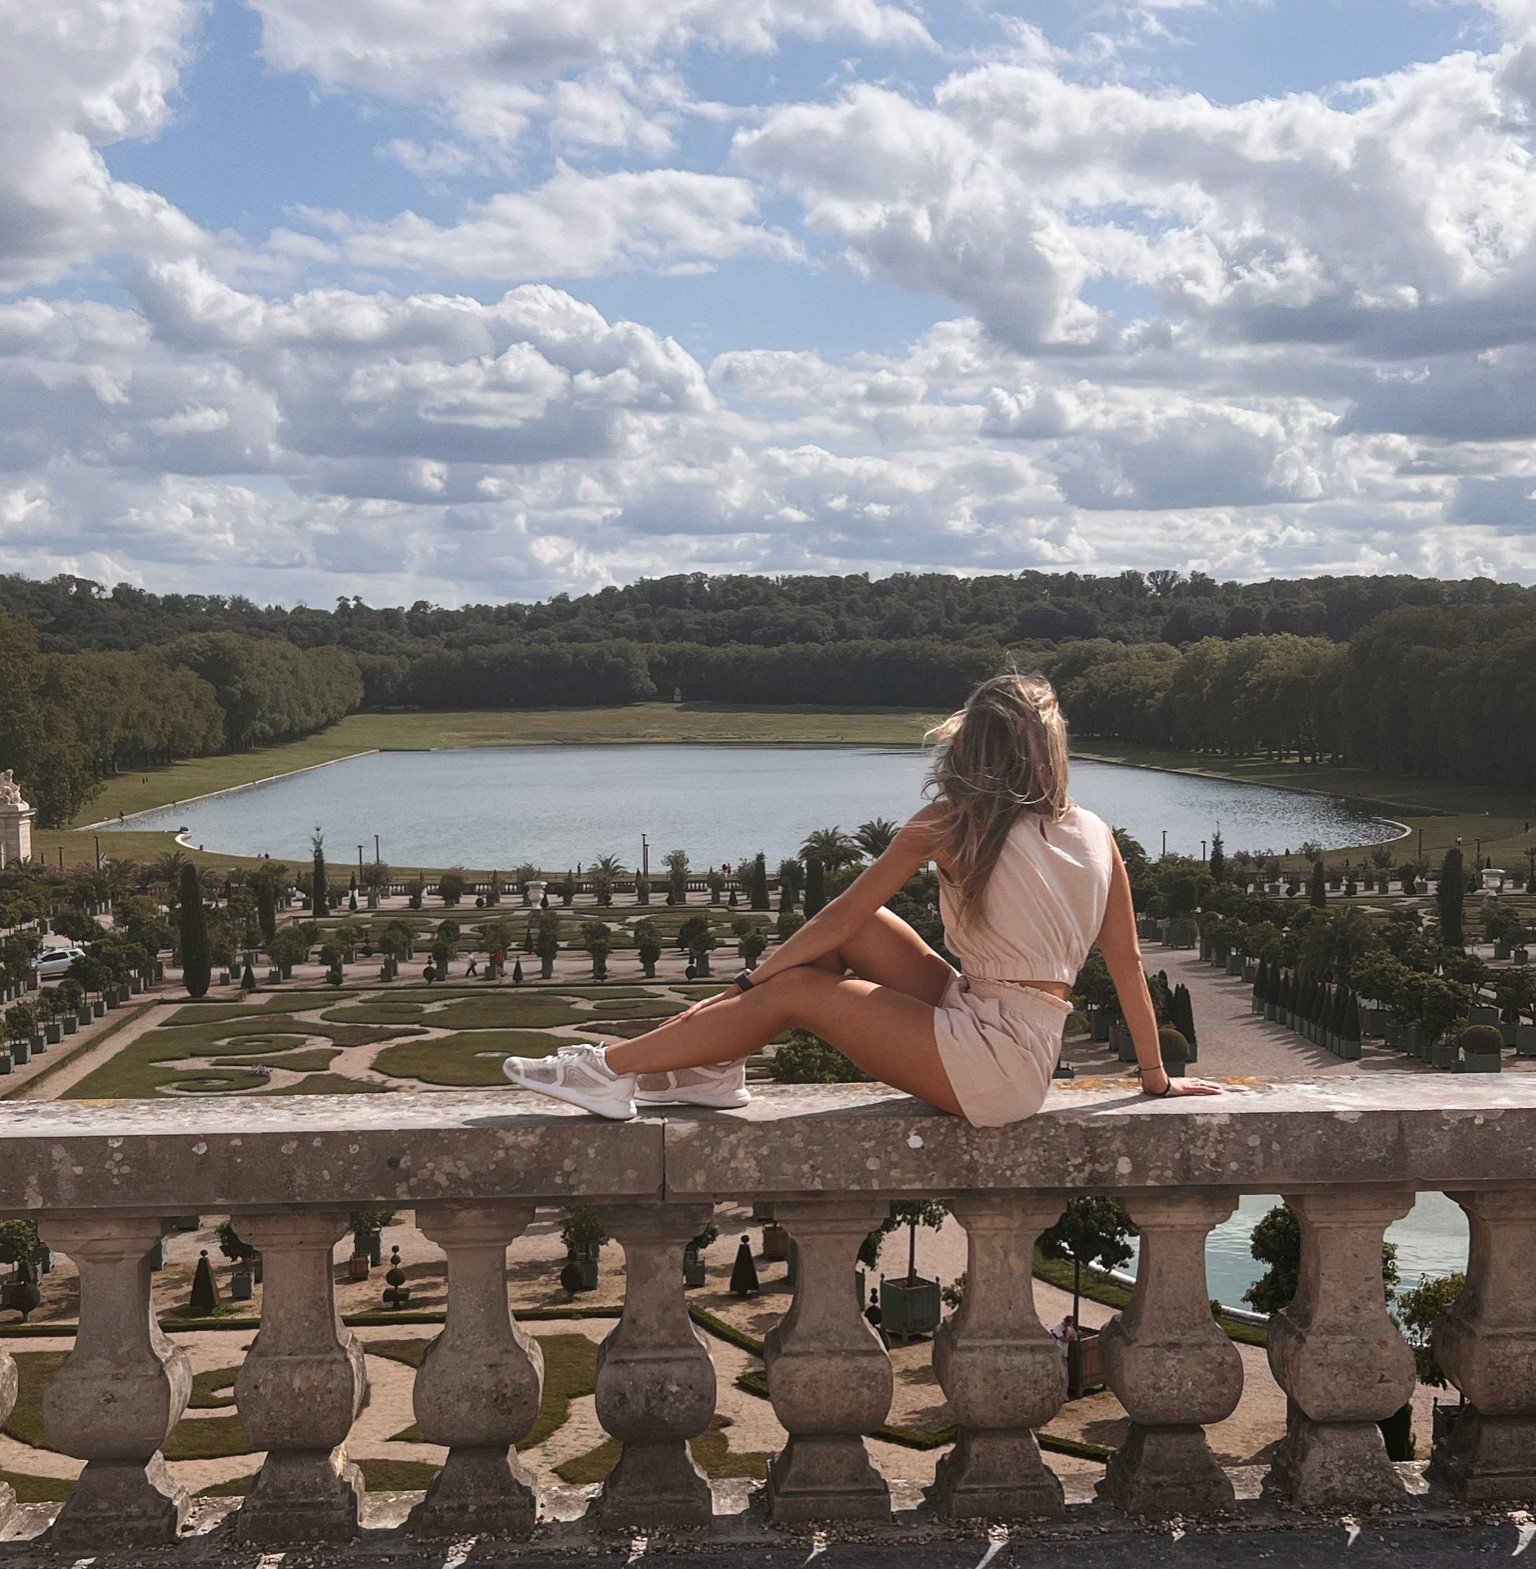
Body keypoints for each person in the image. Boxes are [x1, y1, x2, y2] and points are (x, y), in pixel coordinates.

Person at [504, 673, 1222, 1120]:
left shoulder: (947, 823)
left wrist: (752, 983)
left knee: (802, 993)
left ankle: (611, 1068)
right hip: (995, 1018)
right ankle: (710, 1065)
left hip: (998, 1063)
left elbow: (832, 911)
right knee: (858, 934)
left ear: (974, 745)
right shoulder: (1097, 830)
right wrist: (1155, 1077)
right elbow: (1126, 965)